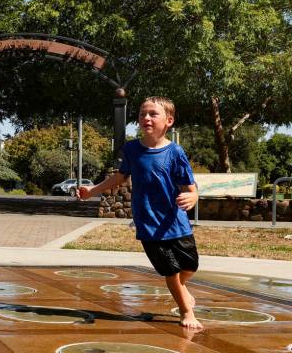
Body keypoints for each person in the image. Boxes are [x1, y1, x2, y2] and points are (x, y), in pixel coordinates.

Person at [77, 97, 203, 329]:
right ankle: (186, 311)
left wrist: (193, 197)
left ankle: (182, 290)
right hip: (148, 225)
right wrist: (92, 191)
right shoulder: (132, 150)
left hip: (176, 222)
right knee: (171, 272)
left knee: (189, 267)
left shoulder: (175, 152)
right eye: (143, 114)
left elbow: (190, 186)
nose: (146, 118)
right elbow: (120, 176)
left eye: (153, 114)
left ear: (169, 121)